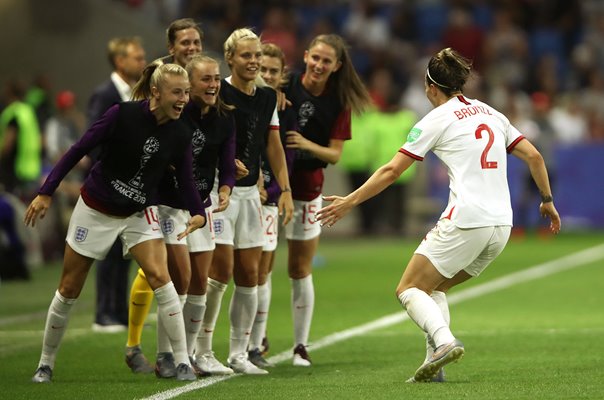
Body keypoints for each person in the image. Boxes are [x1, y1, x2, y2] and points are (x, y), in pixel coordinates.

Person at [316, 48, 561, 383]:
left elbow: (390, 171)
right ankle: (434, 364)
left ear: (430, 86)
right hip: (501, 226)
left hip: (466, 220)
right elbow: (534, 156)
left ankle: (444, 343)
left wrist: (349, 201)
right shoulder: (492, 113)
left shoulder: (436, 118)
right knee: (433, 288)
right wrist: (546, 200)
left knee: (408, 288)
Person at [27, 63, 205, 383]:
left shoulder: (181, 132)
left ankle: (181, 362)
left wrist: (198, 212)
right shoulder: (121, 115)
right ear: (156, 92)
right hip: (95, 209)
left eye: (186, 93)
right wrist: (46, 192)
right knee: (69, 289)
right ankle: (45, 364)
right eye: (177, 92)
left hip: (138, 213)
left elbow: (187, 179)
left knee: (162, 280)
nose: (183, 99)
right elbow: (78, 149)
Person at [124, 55, 237, 378]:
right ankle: (166, 356)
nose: (213, 85)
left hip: (200, 205)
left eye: (216, 78)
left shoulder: (224, 117)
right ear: (188, 85)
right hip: (167, 204)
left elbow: (226, 163)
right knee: (180, 279)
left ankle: (191, 354)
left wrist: (226, 188)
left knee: (201, 282)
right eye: (205, 80)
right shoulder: (176, 114)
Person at [196, 28, 293, 376]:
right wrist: (224, 159)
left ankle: (239, 353)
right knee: (220, 272)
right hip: (218, 193)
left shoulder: (267, 97)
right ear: (231, 58)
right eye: (246, 56)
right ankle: (202, 349)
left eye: (256, 56)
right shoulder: (216, 91)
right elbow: (198, 136)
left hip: (251, 192)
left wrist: (285, 189)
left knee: (251, 274)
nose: (253, 62)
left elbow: (273, 144)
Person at [282, 33, 371, 366]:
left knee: (299, 268)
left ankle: (300, 346)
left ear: (337, 66)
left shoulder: (339, 102)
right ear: (305, 56)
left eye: (326, 61)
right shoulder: (283, 85)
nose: (319, 65)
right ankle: (253, 344)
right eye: (315, 58)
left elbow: (334, 154)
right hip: (269, 187)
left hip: (307, 189)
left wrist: (304, 145)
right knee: (253, 269)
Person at [123, 18, 205, 375]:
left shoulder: (203, 77)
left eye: (196, 41)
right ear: (172, 47)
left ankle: (171, 352)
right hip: (157, 192)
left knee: (178, 275)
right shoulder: (159, 80)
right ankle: (149, 349)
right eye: (184, 42)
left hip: (190, 190)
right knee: (163, 273)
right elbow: (141, 125)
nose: (191, 48)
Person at [88, 36, 147, 333]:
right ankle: (104, 314)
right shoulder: (105, 95)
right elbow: (95, 141)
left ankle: (120, 312)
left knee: (126, 250)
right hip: (108, 183)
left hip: (131, 186)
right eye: (137, 58)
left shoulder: (135, 93)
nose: (143, 61)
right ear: (120, 61)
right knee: (108, 250)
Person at [246, 42, 296, 368]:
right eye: (262, 68)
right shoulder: (237, 99)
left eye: (273, 71)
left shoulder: (285, 109)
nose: (266, 74)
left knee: (262, 270)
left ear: (282, 76)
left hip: (267, 199)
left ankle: (256, 342)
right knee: (221, 272)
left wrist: (277, 189)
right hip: (236, 191)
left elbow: (283, 154)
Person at [0, 79, 43, 202]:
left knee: (15, 209)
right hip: (32, 168)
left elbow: (8, 142)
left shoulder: (13, 113)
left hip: (16, 171)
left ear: (9, 93)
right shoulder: (28, 111)